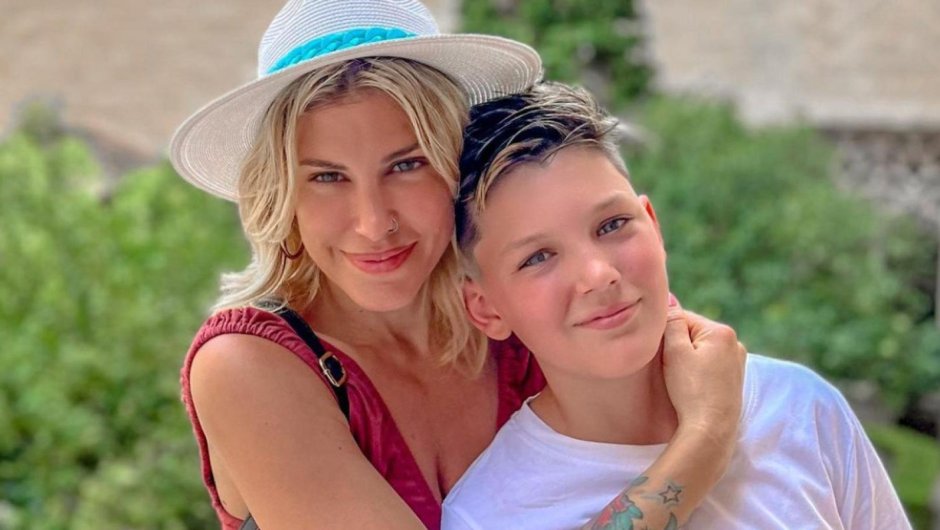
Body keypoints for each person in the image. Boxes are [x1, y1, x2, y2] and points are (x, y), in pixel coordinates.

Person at [170, 1, 747, 529]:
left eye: (407, 164)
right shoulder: (247, 366)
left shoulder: (524, 307)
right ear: (281, 195)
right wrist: (706, 441)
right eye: (327, 177)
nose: (373, 223)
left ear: (456, 164)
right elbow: (707, 415)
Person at [441, 81, 913, 530]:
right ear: (485, 308)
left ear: (653, 224)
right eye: (538, 257)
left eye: (612, 225)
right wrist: (707, 434)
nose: (598, 274)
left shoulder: (801, 408)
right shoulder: (486, 514)